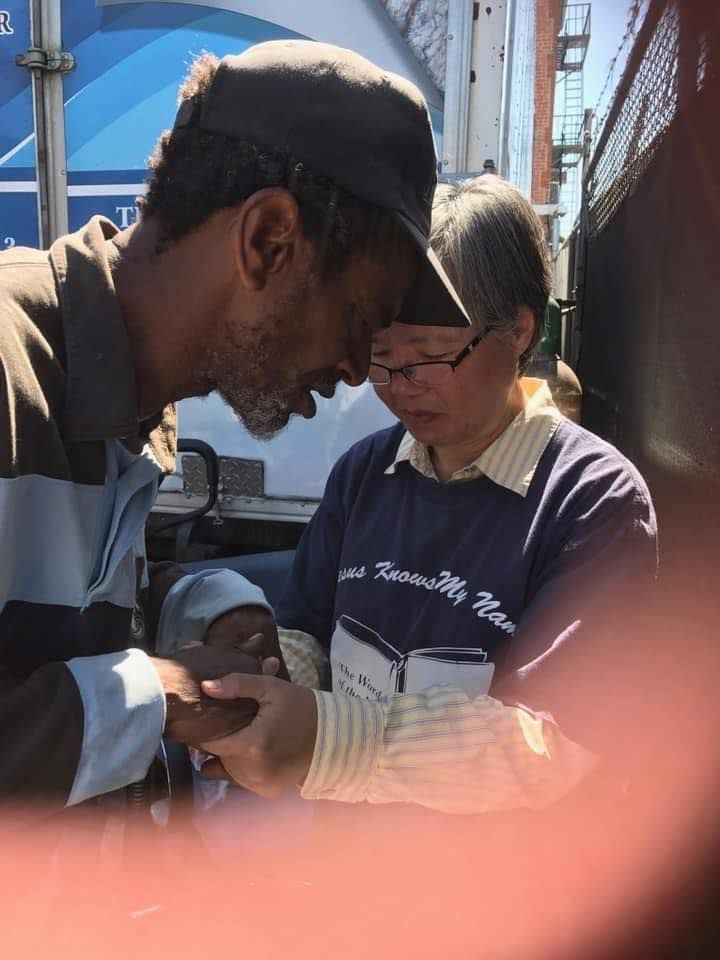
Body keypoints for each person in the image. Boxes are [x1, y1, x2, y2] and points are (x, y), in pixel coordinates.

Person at [0, 40, 471, 811]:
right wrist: (161, 695)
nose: (360, 368)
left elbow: (47, 639)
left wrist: (206, 604)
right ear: (268, 241)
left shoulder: (135, 409)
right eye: (360, 320)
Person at [197, 176, 658, 815]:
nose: (399, 386)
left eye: (431, 356)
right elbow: (307, 629)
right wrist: (260, 692)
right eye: (380, 357)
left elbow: (550, 739)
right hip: (345, 862)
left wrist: (324, 740)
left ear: (520, 331)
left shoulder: (594, 504)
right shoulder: (364, 473)